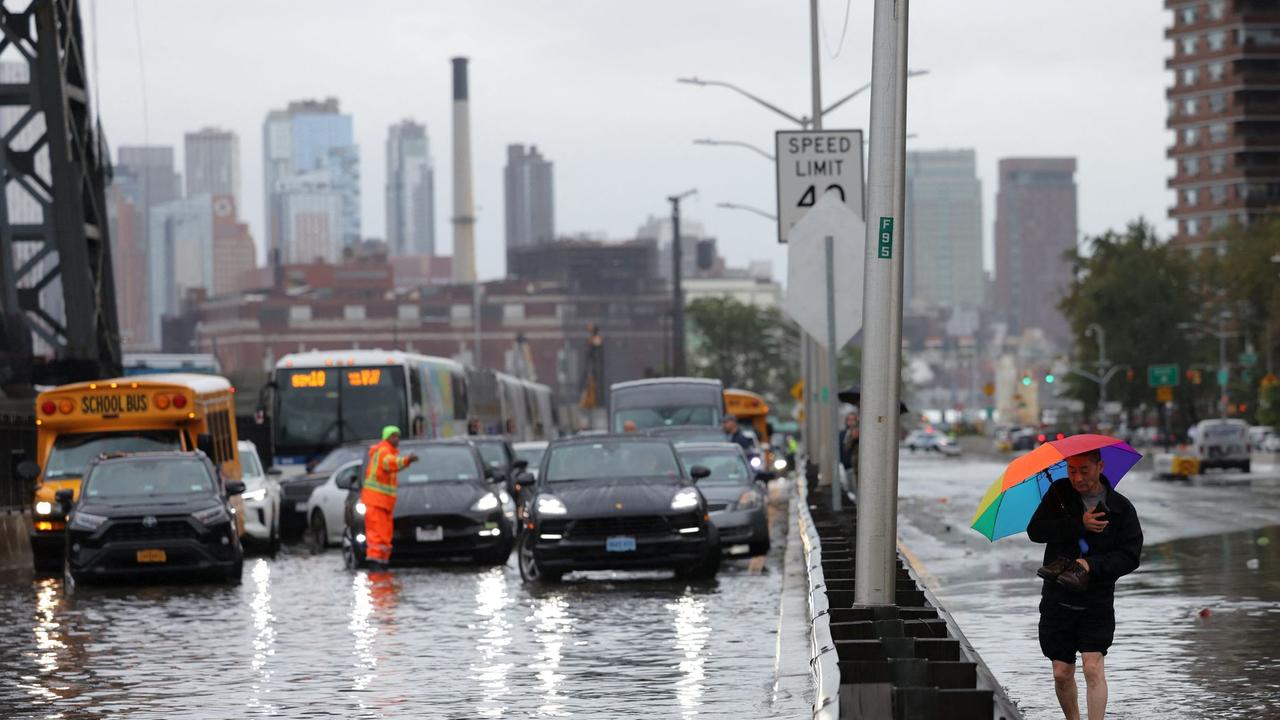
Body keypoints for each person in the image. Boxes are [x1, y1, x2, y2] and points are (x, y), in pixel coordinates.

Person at [1027, 449, 1143, 720]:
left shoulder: (1120, 508)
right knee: (1061, 672)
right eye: (1071, 470)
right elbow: (1036, 531)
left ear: (1100, 466)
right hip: (1058, 598)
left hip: (1097, 601)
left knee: (1092, 667)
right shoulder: (1058, 494)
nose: (1077, 477)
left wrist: (1093, 565)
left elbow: (1130, 556)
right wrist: (1077, 524)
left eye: (1084, 470)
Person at [360, 425, 419, 570]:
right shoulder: (383, 451)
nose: (397, 439)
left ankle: (381, 565)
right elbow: (390, 463)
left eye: (398, 436)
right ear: (387, 438)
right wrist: (407, 460)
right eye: (393, 436)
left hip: (383, 503)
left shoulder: (386, 451)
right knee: (377, 536)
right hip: (376, 501)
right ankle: (376, 565)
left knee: (384, 536)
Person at [838, 411, 860, 496]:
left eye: (853, 420)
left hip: (857, 466)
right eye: (849, 420)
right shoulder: (843, 434)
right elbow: (844, 448)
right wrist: (852, 438)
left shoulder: (862, 432)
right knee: (850, 490)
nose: (851, 422)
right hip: (847, 466)